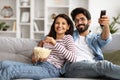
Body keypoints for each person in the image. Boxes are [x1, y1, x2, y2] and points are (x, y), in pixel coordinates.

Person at [0, 14, 77, 80]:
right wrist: (37, 56)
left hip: (51, 69)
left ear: (68, 27)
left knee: (10, 70)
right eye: (57, 23)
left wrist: (55, 43)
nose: (60, 25)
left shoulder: (68, 38)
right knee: (3, 64)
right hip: (38, 65)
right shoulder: (47, 38)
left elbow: (73, 58)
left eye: (63, 23)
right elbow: (34, 59)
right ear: (54, 25)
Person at [64, 7, 120, 79]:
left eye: (82, 19)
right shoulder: (69, 35)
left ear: (89, 21)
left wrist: (106, 25)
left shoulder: (94, 37)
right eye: (76, 20)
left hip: (92, 66)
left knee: (107, 73)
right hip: (73, 67)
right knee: (104, 66)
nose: (79, 22)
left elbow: (106, 39)